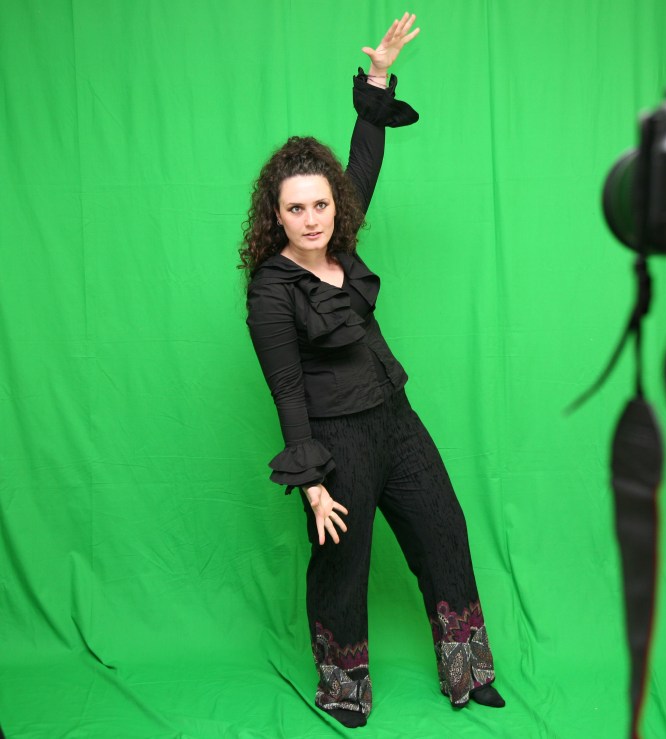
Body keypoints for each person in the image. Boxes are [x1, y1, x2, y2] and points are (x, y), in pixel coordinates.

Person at [239, 14, 503, 728]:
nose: (312, 218)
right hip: (336, 438)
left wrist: (380, 77)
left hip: (395, 417)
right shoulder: (270, 292)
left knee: (444, 530)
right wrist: (313, 481)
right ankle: (344, 688)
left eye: (321, 204)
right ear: (277, 214)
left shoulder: (342, 244)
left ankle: (468, 669)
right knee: (343, 562)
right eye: (297, 208)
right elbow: (286, 387)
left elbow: (364, 162)